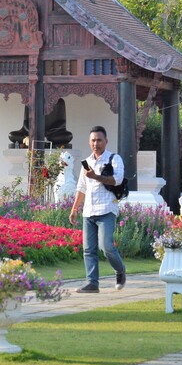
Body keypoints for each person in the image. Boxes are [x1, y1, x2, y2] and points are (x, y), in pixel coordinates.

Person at [68, 126, 126, 293]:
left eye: (99, 140)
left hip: (107, 209)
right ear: (89, 142)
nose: (96, 143)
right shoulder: (86, 162)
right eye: (93, 140)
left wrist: (96, 176)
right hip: (88, 211)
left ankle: (120, 270)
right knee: (88, 249)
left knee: (106, 246)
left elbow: (117, 180)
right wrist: (74, 209)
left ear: (106, 141)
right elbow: (81, 187)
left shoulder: (114, 159)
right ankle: (92, 283)